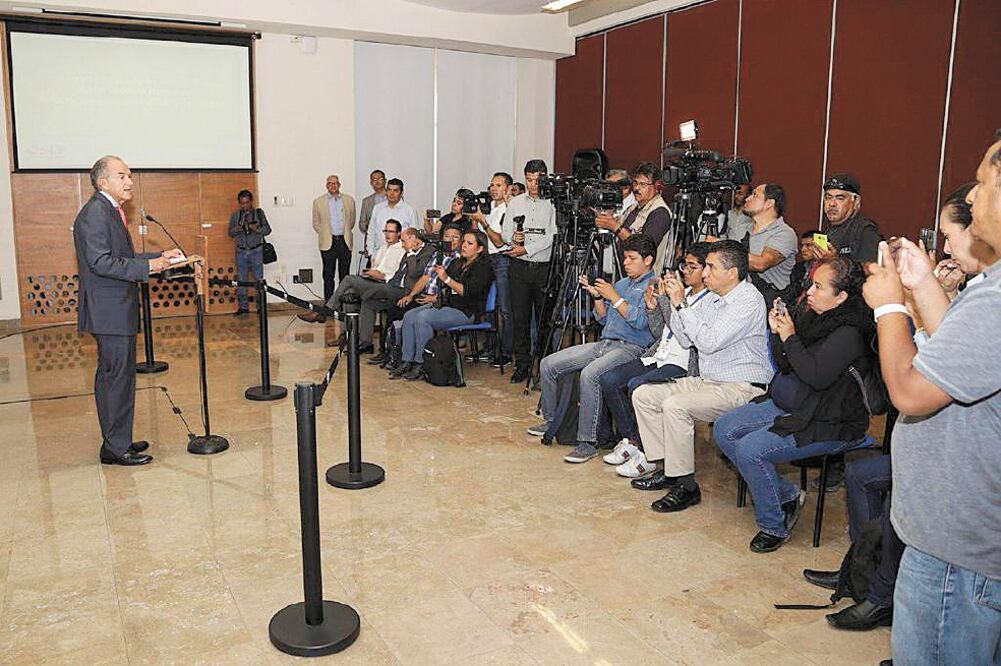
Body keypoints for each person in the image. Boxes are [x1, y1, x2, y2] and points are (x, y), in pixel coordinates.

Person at [861, 134, 1001, 664]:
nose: (973, 199)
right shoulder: (990, 287)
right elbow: (957, 354)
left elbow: (912, 393)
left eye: (983, 185)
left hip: (957, 549)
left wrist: (889, 309)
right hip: (955, 536)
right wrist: (921, 286)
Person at [713, 257, 873, 552]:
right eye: (811, 283)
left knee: (751, 449)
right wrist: (778, 334)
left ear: (841, 297)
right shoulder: (814, 316)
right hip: (790, 402)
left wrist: (789, 336)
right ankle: (785, 494)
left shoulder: (849, 332)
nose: (809, 292)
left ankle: (774, 525)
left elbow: (816, 376)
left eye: (818, 286)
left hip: (825, 418)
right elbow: (787, 363)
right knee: (724, 429)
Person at [627, 240, 772, 511]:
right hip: (709, 382)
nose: (704, 273)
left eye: (711, 267)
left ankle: (686, 486)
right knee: (644, 395)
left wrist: (682, 305)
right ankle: (669, 469)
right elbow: (685, 338)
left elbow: (709, 342)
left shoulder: (748, 299)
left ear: (732, 273)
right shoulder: (715, 298)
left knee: (675, 406)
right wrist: (672, 303)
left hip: (741, 387)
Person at [73, 155, 183, 466]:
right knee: (115, 378)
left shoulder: (109, 211)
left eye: (130, 176)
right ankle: (114, 447)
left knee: (119, 377)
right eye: (122, 176)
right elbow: (102, 262)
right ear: (102, 181)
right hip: (109, 310)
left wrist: (161, 257)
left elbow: (123, 256)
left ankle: (119, 437)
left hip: (116, 308)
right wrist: (149, 265)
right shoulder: (94, 214)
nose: (129, 181)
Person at [527, 235, 657, 464]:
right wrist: (598, 297)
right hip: (605, 343)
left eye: (631, 258)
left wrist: (613, 297)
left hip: (632, 348)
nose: (625, 263)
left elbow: (640, 322)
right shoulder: (621, 284)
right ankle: (551, 421)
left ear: (648, 260)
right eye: (624, 257)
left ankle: (587, 443)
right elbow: (603, 319)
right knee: (548, 364)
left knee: (590, 374)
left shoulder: (653, 286)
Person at [600, 243, 711, 466]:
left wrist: (670, 302)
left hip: (683, 362)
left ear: (706, 270)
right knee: (609, 379)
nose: (686, 272)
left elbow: (685, 336)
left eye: (692, 267)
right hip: (659, 354)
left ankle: (647, 450)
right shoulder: (684, 292)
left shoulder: (711, 300)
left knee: (637, 385)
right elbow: (659, 331)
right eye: (684, 266)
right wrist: (652, 307)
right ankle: (631, 439)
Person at [391, 230, 494, 381]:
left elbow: (465, 291)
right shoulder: (458, 263)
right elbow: (444, 287)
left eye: (469, 243)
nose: (463, 245)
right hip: (447, 305)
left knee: (423, 318)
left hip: (466, 311)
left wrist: (446, 278)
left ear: (480, 249)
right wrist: (436, 295)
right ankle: (408, 360)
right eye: (464, 242)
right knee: (410, 315)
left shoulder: (483, 267)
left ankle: (422, 363)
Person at [299, 220, 405, 348]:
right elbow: (375, 267)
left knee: (348, 279)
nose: (387, 234)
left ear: (399, 233)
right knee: (348, 293)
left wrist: (382, 276)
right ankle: (347, 337)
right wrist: (369, 272)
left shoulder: (401, 250)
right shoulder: (382, 249)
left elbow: (397, 275)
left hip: (385, 284)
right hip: (372, 281)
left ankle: (325, 312)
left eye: (391, 231)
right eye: (385, 231)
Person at [381, 225, 463, 372]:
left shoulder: (460, 259)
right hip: (424, 296)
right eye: (447, 237)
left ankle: (420, 362)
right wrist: (411, 295)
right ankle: (404, 359)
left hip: (442, 301)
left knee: (416, 316)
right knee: (400, 309)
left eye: (455, 237)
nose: (450, 240)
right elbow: (425, 277)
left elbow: (455, 288)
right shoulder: (438, 255)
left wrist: (435, 298)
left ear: (461, 240)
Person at [503, 160, 557, 382]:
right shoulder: (515, 202)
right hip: (519, 267)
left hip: (544, 267)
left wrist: (527, 248)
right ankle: (522, 365)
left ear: (544, 178)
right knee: (520, 319)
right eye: (529, 180)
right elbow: (506, 231)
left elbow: (552, 236)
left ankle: (545, 366)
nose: (533, 184)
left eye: (538, 180)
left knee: (544, 319)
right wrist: (512, 239)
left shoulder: (553, 203)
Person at [362, 229, 436, 361]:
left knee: (388, 303)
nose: (402, 245)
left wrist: (412, 253)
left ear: (413, 238)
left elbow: (415, 273)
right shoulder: (406, 252)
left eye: (404, 241)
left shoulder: (428, 251)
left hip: (410, 291)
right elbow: (398, 273)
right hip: (396, 289)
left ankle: (389, 353)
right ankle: (378, 347)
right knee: (370, 303)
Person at [595, 163, 671, 271]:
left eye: (643, 185)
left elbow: (644, 248)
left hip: (645, 280)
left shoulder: (660, 212)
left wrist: (615, 227)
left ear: (657, 186)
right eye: (635, 183)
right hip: (627, 275)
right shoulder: (633, 207)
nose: (637, 188)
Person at [472, 172, 515, 364]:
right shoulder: (491, 208)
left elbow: (498, 242)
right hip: (489, 260)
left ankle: (506, 352)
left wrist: (483, 221)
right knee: (490, 307)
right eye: (492, 185)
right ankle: (490, 348)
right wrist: (477, 218)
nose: (493, 189)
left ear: (508, 189)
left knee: (505, 309)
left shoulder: (509, 209)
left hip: (503, 260)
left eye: (498, 185)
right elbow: (481, 236)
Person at [932, 182, 997, 302]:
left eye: (947, 236)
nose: (946, 249)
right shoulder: (983, 286)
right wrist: (950, 293)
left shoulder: (991, 293)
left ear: (973, 230)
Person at [741, 183, 798, 304]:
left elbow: (762, 263)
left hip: (769, 304)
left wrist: (725, 251)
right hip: (745, 300)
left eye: (754, 195)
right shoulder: (745, 230)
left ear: (769, 203)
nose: (747, 198)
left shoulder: (784, 233)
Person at [814, 174, 881, 263]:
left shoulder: (865, 231)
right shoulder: (829, 231)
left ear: (856, 201)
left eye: (840, 198)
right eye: (828, 197)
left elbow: (870, 270)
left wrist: (835, 261)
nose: (832, 204)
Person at [312, 174, 356, 302]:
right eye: (330, 183)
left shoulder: (349, 200)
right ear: (326, 186)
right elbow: (316, 223)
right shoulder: (318, 202)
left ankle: (343, 303)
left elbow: (351, 221)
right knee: (328, 275)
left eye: (335, 183)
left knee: (344, 275)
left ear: (339, 185)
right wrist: (325, 233)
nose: (333, 185)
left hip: (344, 241)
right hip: (327, 242)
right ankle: (329, 303)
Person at [227, 189, 272, 315]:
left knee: (259, 280)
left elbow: (268, 230)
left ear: (251, 202)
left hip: (256, 250)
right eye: (242, 203)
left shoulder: (259, 213)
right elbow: (230, 233)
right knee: (241, 280)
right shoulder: (235, 215)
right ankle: (243, 307)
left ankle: (261, 308)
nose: (244, 206)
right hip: (241, 251)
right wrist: (238, 229)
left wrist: (255, 228)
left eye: (246, 203)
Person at [367, 178, 419, 255]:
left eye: (395, 191)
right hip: (379, 254)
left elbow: (414, 236)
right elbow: (371, 232)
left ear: (401, 193)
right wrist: (370, 253)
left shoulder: (408, 210)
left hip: (400, 255)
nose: (391, 193)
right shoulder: (378, 208)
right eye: (389, 190)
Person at [358, 169, 387, 239]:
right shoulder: (366, 201)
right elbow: (362, 224)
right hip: (372, 240)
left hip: (391, 240)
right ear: (371, 183)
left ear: (385, 181)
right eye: (374, 179)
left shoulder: (394, 198)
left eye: (380, 178)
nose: (377, 181)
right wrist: (371, 227)